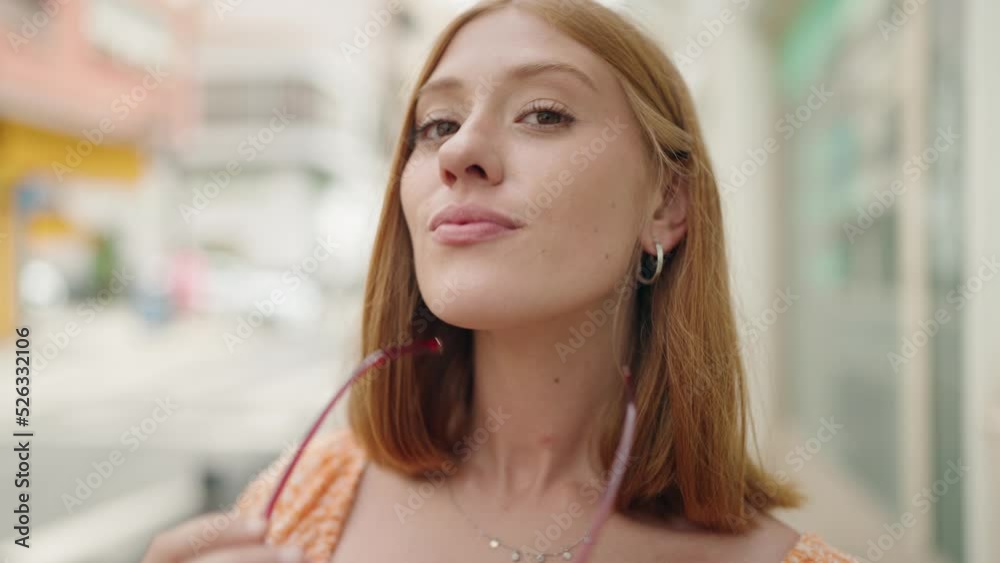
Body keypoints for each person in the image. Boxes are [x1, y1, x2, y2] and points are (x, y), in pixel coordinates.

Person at [141, 1, 859, 561]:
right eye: (436, 124)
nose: (460, 151)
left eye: (544, 114)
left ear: (666, 204)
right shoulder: (298, 501)